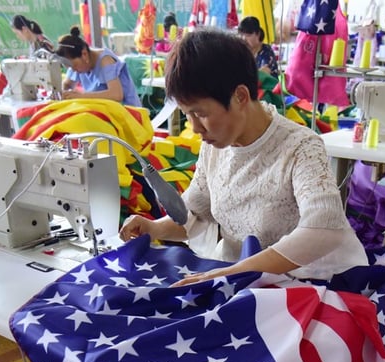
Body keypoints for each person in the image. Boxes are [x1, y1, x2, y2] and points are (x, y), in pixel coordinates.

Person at [118, 30, 366, 285]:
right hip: (245, 279)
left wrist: (230, 273)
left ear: (240, 96)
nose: (194, 128)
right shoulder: (215, 146)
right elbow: (194, 214)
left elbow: (323, 229)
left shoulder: (301, 147)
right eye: (187, 115)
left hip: (310, 283)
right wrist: (153, 227)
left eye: (200, 114)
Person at [55, 27, 141, 106]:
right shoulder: (78, 65)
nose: (73, 70)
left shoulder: (106, 60)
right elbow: (67, 84)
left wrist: (81, 95)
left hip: (127, 114)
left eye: (75, 66)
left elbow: (117, 95)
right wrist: (63, 93)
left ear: (84, 54)